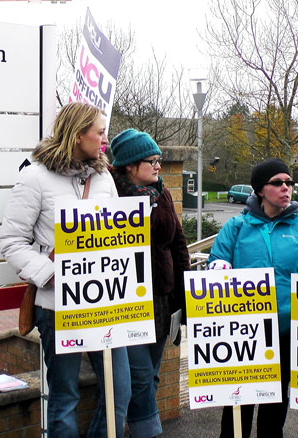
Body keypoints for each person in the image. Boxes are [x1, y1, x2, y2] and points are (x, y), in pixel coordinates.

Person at [0, 102, 131, 438]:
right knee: (64, 399)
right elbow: (12, 242)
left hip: (105, 305)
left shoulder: (104, 177)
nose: (105, 139)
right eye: (99, 132)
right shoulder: (34, 176)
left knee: (119, 392)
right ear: (77, 135)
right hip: (57, 307)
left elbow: (119, 235)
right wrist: (51, 273)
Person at [208, 158, 298, 438]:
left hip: (287, 334)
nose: (286, 188)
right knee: (237, 405)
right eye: (277, 182)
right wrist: (218, 268)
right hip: (244, 334)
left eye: (289, 182)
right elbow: (215, 264)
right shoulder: (236, 227)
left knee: (275, 406)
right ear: (260, 190)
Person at [109, 129, 191, 438]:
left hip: (163, 299)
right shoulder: (111, 196)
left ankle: (137, 426)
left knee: (152, 374)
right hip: (128, 299)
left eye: (159, 160)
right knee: (140, 375)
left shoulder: (162, 193)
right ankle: (149, 432)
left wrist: (183, 298)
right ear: (130, 164)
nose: (158, 166)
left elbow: (179, 245)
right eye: (151, 160)